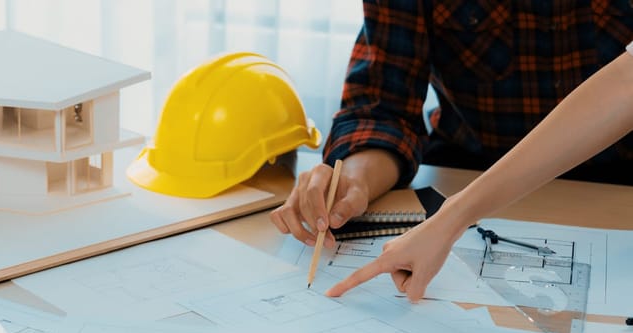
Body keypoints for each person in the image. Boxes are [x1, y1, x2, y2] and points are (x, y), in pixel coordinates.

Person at [270, 1, 633, 300]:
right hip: (467, 167)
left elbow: (626, 84)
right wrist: (353, 179)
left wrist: (455, 215)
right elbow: (383, 106)